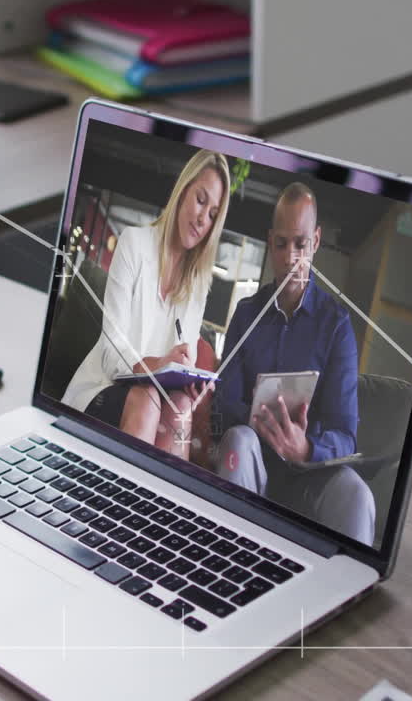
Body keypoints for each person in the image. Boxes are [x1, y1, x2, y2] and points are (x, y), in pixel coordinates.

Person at [202, 182, 376, 544]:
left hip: (308, 476)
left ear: (316, 241)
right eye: (281, 244)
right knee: (238, 440)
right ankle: (226, 559)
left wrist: (306, 448)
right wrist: (259, 420)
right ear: (270, 242)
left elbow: (345, 435)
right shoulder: (246, 314)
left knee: (357, 495)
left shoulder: (337, 325)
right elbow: (221, 404)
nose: (290, 257)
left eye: (300, 244)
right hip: (251, 460)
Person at [62, 150, 230, 456]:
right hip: (103, 386)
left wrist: (190, 384)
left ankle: (161, 490)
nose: (202, 219)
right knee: (147, 399)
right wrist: (161, 364)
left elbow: (184, 362)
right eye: (200, 200)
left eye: (213, 214)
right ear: (182, 190)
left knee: (181, 407)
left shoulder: (198, 285)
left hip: (155, 398)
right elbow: (112, 355)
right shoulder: (134, 244)